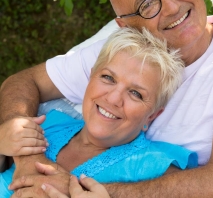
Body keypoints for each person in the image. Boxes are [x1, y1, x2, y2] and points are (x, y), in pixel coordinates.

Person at [1, 0, 213, 196]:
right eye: (147, 5)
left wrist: (73, 188)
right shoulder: (123, 54)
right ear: (125, 27)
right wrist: (28, 158)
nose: (172, 7)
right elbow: (23, 82)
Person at [0, 27, 198, 197]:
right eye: (108, 78)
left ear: (152, 116)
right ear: (91, 76)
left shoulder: (156, 166)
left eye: (136, 93)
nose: (113, 98)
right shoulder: (48, 124)